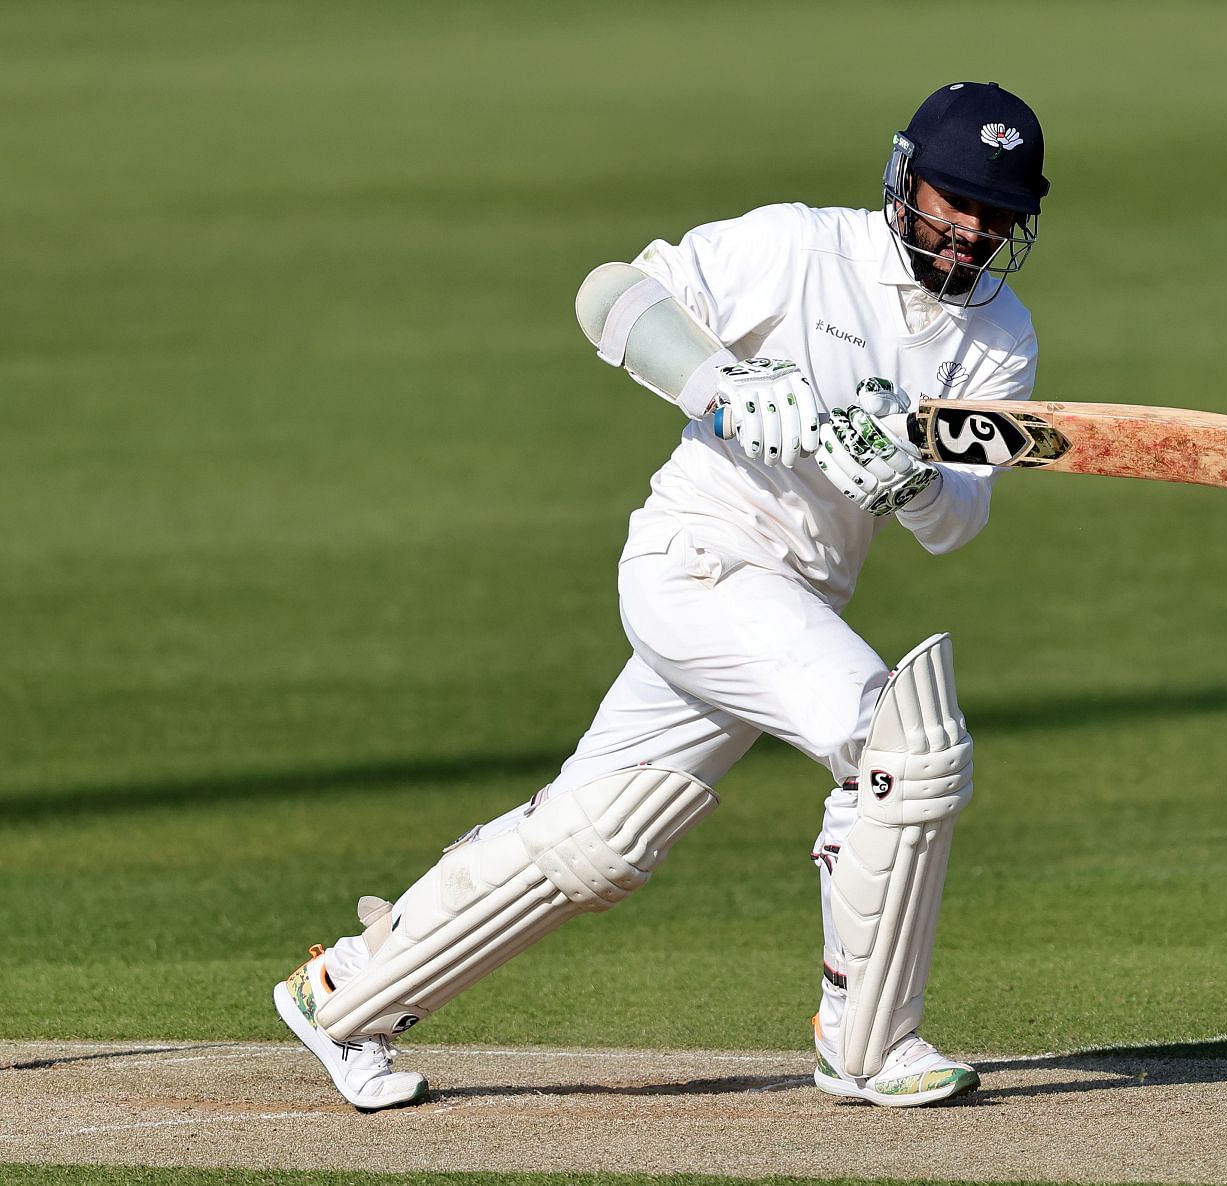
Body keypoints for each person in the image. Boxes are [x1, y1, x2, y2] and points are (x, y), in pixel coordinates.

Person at [272, 81, 1049, 1111]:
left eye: (995, 216)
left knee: (598, 835)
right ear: (908, 179)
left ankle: (342, 993)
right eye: (955, 201)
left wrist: (908, 481)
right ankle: (867, 1042)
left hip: (794, 599)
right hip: (700, 563)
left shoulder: (999, 337)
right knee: (902, 745)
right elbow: (613, 295)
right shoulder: (800, 247)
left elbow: (958, 520)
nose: (971, 232)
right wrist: (720, 384)